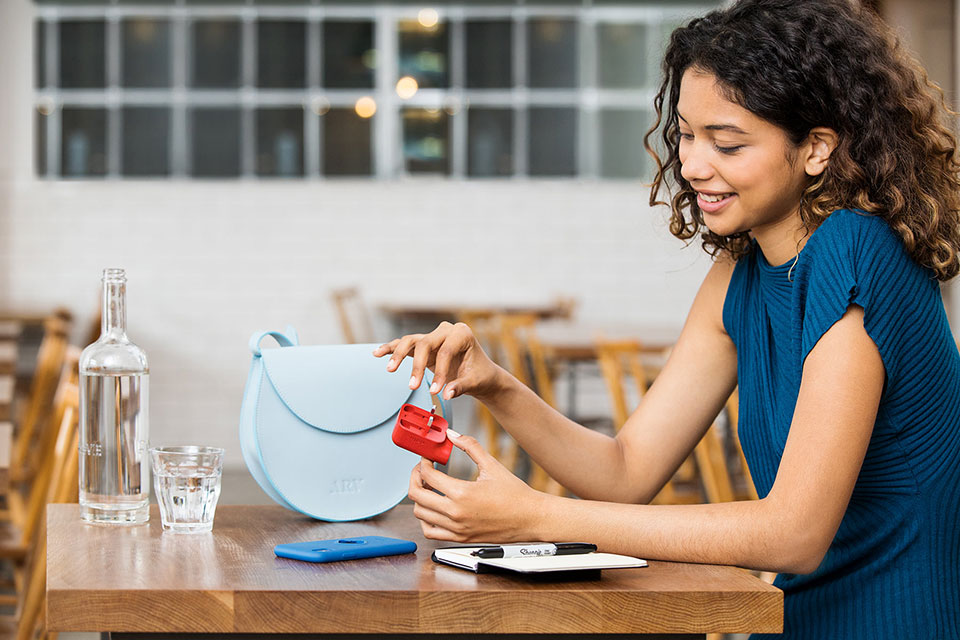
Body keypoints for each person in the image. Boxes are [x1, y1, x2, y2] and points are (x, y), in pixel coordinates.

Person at [373, 0, 960, 637]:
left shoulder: (854, 249)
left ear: (817, 148)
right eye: (685, 133)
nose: (693, 164)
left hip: (899, 621)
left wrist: (538, 516)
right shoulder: (742, 272)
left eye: (728, 143)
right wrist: (497, 385)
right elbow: (626, 471)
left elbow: (794, 533)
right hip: (791, 620)